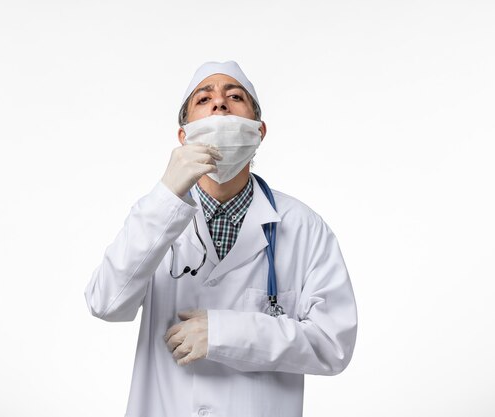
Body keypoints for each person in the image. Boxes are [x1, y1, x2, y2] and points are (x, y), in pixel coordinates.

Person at [85, 61, 357, 417]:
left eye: (234, 96)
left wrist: (224, 333)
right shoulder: (155, 216)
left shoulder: (303, 226)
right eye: (204, 98)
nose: (219, 104)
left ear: (258, 131)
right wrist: (167, 194)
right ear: (184, 136)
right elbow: (106, 303)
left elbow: (333, 345)